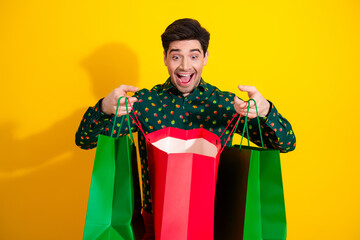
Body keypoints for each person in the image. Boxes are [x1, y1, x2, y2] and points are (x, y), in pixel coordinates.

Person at [76, 18, 296, 239]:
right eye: (176, 56)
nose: (184, 66)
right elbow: (85, 140)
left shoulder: (226, 105)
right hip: (155, 227)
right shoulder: (143, 104)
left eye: (193, 56)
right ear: (165, 58)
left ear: (205, 57)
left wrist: (266, 111)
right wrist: (104, 107)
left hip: (214, 225)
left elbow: (286, 143)